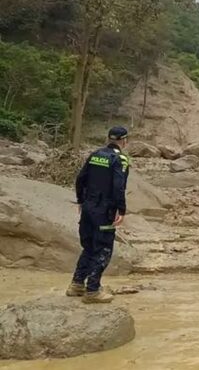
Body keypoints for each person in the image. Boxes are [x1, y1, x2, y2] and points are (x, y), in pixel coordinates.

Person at [66, 126, 131, 304]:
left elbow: (80, 178)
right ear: (124, 141)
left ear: (109, 139)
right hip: (104, 211)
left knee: (88, 247)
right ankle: (93, 290)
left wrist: (80, 200)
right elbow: (119, 187)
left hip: (88, 208)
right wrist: (122, 210)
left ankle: (77, 284)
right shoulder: (121, 159)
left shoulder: (95, 154)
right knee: (103, 248)